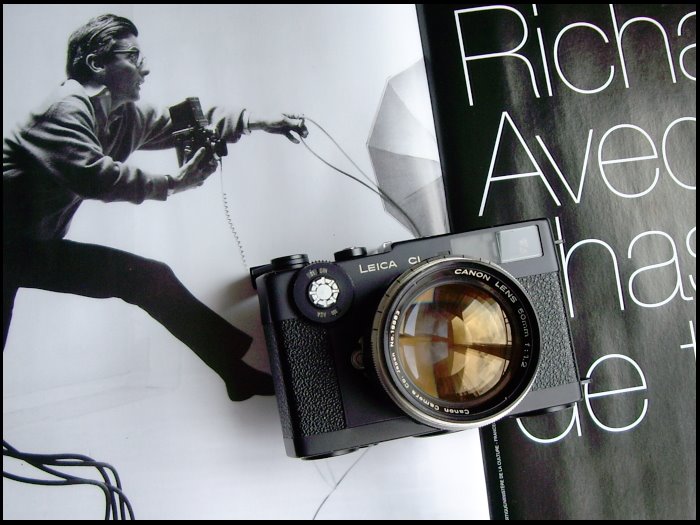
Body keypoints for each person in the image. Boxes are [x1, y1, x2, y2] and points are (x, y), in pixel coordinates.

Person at [2, 13, 308, 401]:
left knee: (148, 278)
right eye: (133, 57)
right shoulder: (65, 108)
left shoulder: (123, 116)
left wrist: (259, 122)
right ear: (96, 64)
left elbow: (191, 124)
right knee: (145, 278)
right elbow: (97, 177)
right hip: (12, 248)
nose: (145, 68)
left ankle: (236, 374)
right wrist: (174, 183)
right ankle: (238, 373)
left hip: (28, 250)